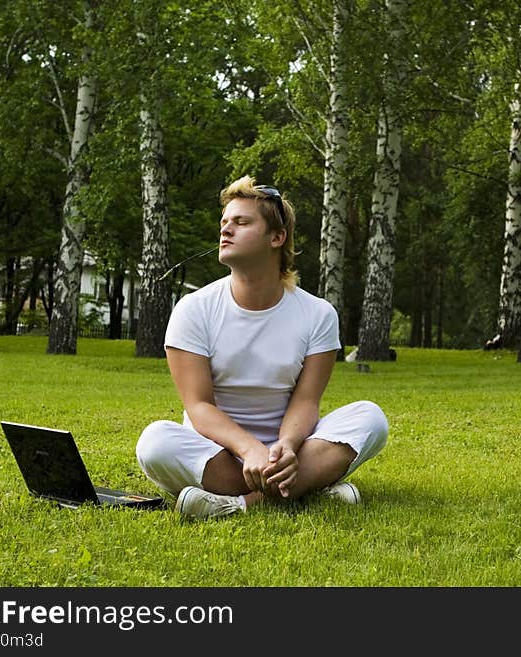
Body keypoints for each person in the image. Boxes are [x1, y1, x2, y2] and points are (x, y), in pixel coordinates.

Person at [136, 175, 389, 520]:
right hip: (218, 452)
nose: (226, 230)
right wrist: (250, 449)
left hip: (295, 450)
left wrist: (285, 446)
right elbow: (198, 406)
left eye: (241, 222)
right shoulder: (193, 309)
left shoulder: (317, 314)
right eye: (225, 222)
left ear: (277, 237)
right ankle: (308, 489)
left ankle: (242, 504)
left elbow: (306, 401)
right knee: (155, 443)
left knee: (371, 418)